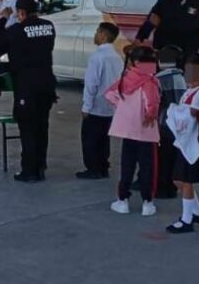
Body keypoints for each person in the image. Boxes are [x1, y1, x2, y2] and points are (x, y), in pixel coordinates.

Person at [0, 0, 57, 183]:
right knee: (42, 126)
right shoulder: (49, 27)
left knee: (28, 127)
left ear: (20, 12)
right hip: (47, 85)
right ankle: (40, 167)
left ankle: (29, 171)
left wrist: (4, 18)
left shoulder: (16, 31)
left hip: (27, 87)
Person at [106, 46, 162, 217]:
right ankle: (147, 202)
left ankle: (122, 200)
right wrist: (151, 114)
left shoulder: (125, 78)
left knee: (127, 166)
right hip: (146, 131)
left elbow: (110, 94)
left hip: (127, 131)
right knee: (148, 167)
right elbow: (151, 102)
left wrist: (123, 109)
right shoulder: (150, 81)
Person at [165, 53, 199, 234]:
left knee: (185, 181)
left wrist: (175, 111)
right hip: (184, 141)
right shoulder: (190, 91)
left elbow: (192, 114)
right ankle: (198, 212)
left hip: (192, 141)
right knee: (179, 179)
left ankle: (187, 219)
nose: (189, 76)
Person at [78, 23, 123, 180]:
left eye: (97, 32)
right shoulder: (117, 57)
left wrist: (86, 105)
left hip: (96, 105)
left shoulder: (97, 57)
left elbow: (92, 83)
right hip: (110, 106)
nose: (95, 35)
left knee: (90, 138)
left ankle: (93, 168)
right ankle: (103, 166)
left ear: (104, 35)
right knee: (104, 138)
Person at [152, 46, 187, 199]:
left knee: (162, 158)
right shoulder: (181, 78)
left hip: (163, 124)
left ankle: (161, 188)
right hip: (178, 126)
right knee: (172, 157)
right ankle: (171, 188)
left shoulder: (159, 80)